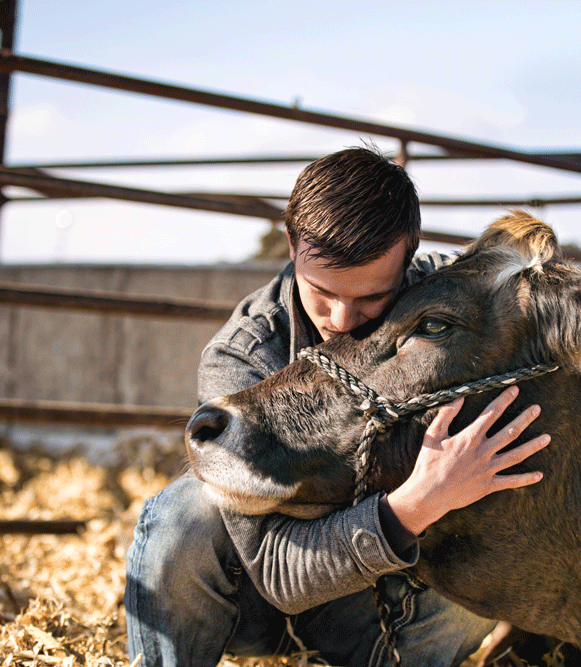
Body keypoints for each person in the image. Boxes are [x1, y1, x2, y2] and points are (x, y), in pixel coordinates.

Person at [125, 146, 551, 667]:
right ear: (292, 243)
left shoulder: (444, 296)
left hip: (393, 612)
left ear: (410, 258)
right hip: (258, 610)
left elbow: (534, 292)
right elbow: (277, 572)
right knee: (183, 515)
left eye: (373, 297)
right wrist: (418, 503)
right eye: (322, 291)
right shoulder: (244, 355)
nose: (343, 319)